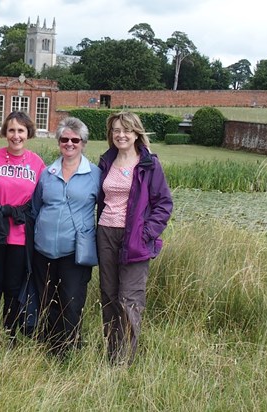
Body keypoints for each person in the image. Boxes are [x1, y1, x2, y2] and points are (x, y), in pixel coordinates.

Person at [97, 111, 173, 366]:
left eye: (126, 130)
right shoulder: (105, 161)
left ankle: (124, 361)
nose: (121, 135)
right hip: (106, 233)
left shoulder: (149, 164)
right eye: (117, 130)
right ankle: (111, 354)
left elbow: (164, 203)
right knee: (108, 295)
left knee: (129, 299)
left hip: (135, 239)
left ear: (136, 133)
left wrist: (146, 233)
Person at [32, 117, 101, 357]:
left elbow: (102, 210)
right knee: (46, 299)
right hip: (43, 249)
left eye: (75, 140)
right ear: (58, 141)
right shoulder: (47, 173)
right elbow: (37, 206)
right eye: (64, 139)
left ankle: (69, 348)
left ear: (83, 143)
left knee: (71, 301)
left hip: (75, 251)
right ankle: (49, 345)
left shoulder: (95, 175)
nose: (69, 144)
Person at [0, 111, 46, 340]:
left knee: (14, 286)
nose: (16, 136)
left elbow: (45, 197)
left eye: (21, 131)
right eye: (12, 130)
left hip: (21, 233)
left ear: (28, 133)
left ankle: (10, 331)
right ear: (5, 132)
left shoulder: (37, 163)